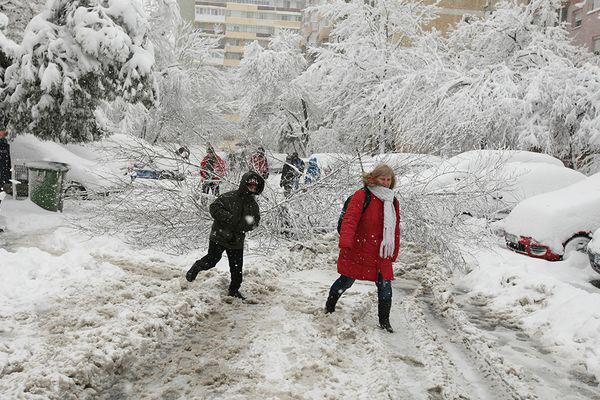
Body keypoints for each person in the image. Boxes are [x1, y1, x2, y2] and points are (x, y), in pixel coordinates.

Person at [325, 164, 400, 333]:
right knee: (346, 281)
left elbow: (395, 228)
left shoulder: (392, 200)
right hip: (360, 248)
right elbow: (350, 221)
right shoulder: (362, 195)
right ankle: (330, 305)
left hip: (382, 251)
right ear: (373, 178)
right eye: (382, 179)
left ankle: (385, 321)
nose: (386, 183)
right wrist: (346, 243)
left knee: (385, 286)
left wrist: (394, 250)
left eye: (389, 179)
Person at [185, 171, 265, 300]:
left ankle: (234, 290)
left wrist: (244, 225)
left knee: (237, 268)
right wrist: (228, 218)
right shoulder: (229, 197)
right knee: (212, 260)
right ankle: (196, 268)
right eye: (250, 185)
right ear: (244, 184)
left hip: (236, 240)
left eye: (255, 187)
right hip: (220, 236)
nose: (252, 188)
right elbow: (214, 208)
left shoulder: (252, 205)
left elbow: (254, 222)